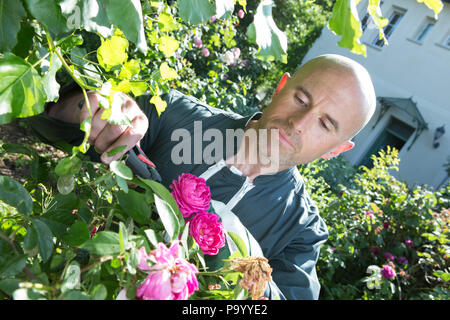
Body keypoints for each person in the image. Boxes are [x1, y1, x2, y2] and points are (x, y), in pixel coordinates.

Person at [26, 54, 376, 300]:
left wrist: (241, 260)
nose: (299, 123)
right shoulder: (178, 116)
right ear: (280, 87)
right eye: (301, 98)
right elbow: (55, 117)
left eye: (325, 124)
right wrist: (98, 107)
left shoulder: (299, 231)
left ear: (336, 149)